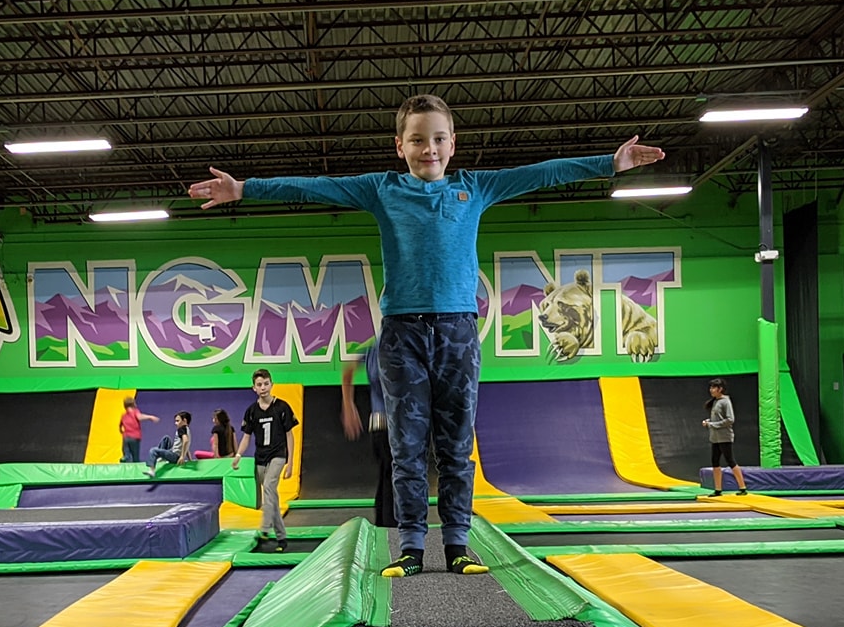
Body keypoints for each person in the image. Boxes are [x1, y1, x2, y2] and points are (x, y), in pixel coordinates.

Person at [190, 93, 662, 577]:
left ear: (453, 144)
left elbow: (541, 172)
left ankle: (458, 544)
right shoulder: (383, 189)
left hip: (458, 332)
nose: (428, 149)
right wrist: (245, 188)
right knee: (407, 447)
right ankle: (411, 547)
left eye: (438, 139)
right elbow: (316, 187)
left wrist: (609, 162)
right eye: (417, 140)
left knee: (457, 445)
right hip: (402, 337)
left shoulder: (475, 188)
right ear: (400, 145)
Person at [234, 369, 298, 552]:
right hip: (260, 458)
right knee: (271, 497)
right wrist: (238, 455)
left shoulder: (282, 407)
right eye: (259, 385)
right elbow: (246, 437)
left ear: (271, 384)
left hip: (278, 454)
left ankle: (264, 527)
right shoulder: (252, 411)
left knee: (270, 487)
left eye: (266, 384)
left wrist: (290, 463)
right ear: (254, 388)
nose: (263, 388)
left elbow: (290, 435)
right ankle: (281, 538)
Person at [342, 337, 396, 529]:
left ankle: (383, 523)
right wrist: (348, 405)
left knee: (386, 475)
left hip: (378, 425)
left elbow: (349, 369)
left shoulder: (373, 349)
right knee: (393, 476)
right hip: (391, 425)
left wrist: (348, 404)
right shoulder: (394, 348)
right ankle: (391, 527)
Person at [702, 378, 747, 496]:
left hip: (724, 436)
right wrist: (709, 421)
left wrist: (712, 424)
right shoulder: (716, 401)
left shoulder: (725, 401)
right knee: (715, 461)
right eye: (710, 387)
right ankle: (718, 489)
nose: (711, 390)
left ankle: (742, 487)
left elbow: (730, 419)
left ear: (720, 389)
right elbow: (718, 418)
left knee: (730, 460)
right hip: (715, 437)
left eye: (713, 387)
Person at [147, 411, 194, 478]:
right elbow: (186, 445)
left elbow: (185, 441)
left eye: (177, 421)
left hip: (175, 456)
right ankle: (162, 458)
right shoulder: (187, 429)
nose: (175, 423)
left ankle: (152, 470)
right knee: (166, 438)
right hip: (174, 452)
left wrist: (182, 457)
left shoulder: (181, 429)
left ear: (184, 420)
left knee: (153, 450)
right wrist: (190, 460)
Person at [118, 397, 158, 465]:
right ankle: (136, 465)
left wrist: (122, 432)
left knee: (126, 452)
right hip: (134, 437)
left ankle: (126, 457)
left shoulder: (123, 415)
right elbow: (139, 417)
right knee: (135, 455)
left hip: (126, 437)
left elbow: (120, 426)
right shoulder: (135, 411)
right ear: (133, 404)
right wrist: (150, 417)